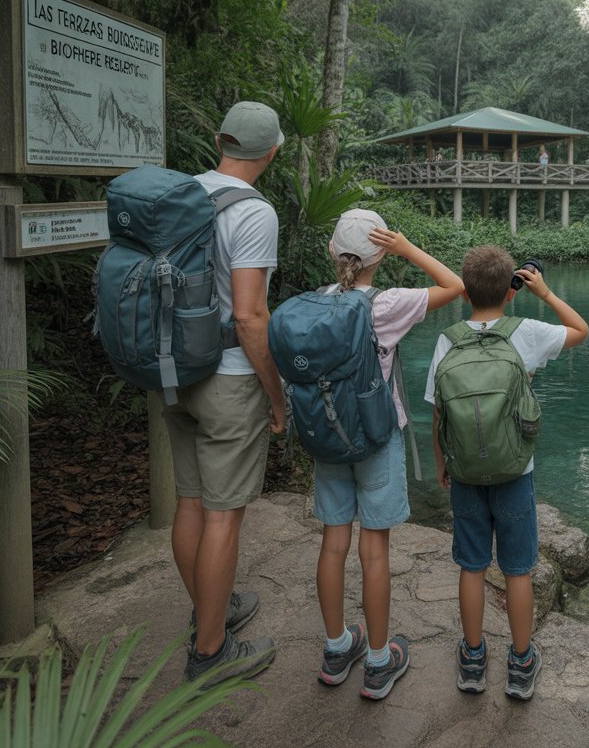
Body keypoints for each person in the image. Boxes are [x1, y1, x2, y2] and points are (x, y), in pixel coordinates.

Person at [424, 246, 589, 700]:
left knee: (472, 567)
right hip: (516, 472)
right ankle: (520, 664)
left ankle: (473, 659)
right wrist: (547, 292)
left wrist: (442, 467)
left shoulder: (448, 340)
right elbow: (581, 329)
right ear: (512, 289)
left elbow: (438, 415)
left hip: (465, 475)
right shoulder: (528, 334)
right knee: (518, 572)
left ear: (465, 290)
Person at [316, 209, 463, 700]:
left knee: (333, 542)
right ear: (381, 254)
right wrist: (408, 249)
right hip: (377, 438)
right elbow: (455, 284)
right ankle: (378, 661)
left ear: (332, 252)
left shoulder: (316, 304)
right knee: (374, 549)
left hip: (329, 438)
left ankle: (337, 648)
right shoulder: (388, 304)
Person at [166, 100, 287, 688]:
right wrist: (277, 394)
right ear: (270, 153)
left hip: (173, 371)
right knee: (222, 516)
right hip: (229, 379)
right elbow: (249, 316)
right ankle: (210, 652)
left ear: (221, 140)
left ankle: (211, 609)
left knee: (190, 501)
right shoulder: (255, 213)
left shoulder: (183, 193)